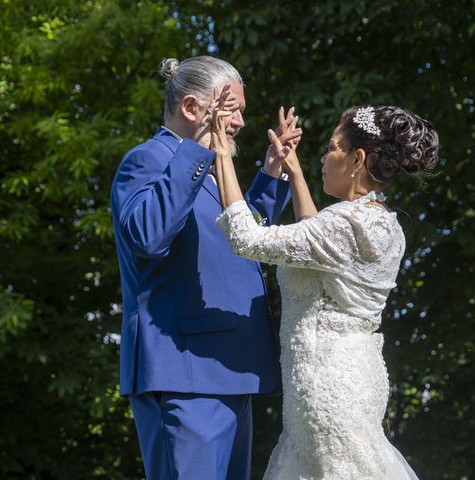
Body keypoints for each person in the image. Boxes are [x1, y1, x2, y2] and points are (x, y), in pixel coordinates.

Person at [211, 87, 439, 479]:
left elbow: (246, 239)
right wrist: (295, 171)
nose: (323, 155)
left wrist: (220, 154)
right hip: (352, 375)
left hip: (326, 382)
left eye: (333, 147)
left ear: (357, 159)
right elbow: (317, 244)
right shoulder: (379, 222)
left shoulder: (344, 225)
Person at [110, 57, 301, 480]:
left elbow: (239, 237)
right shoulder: (145, 160)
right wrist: (199, 150)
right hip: (184, 372)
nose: (240, 123)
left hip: (232, 367)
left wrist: (271, 171)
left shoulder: (212, 170)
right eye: (232, 109)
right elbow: (148, 236)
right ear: (193, 108)